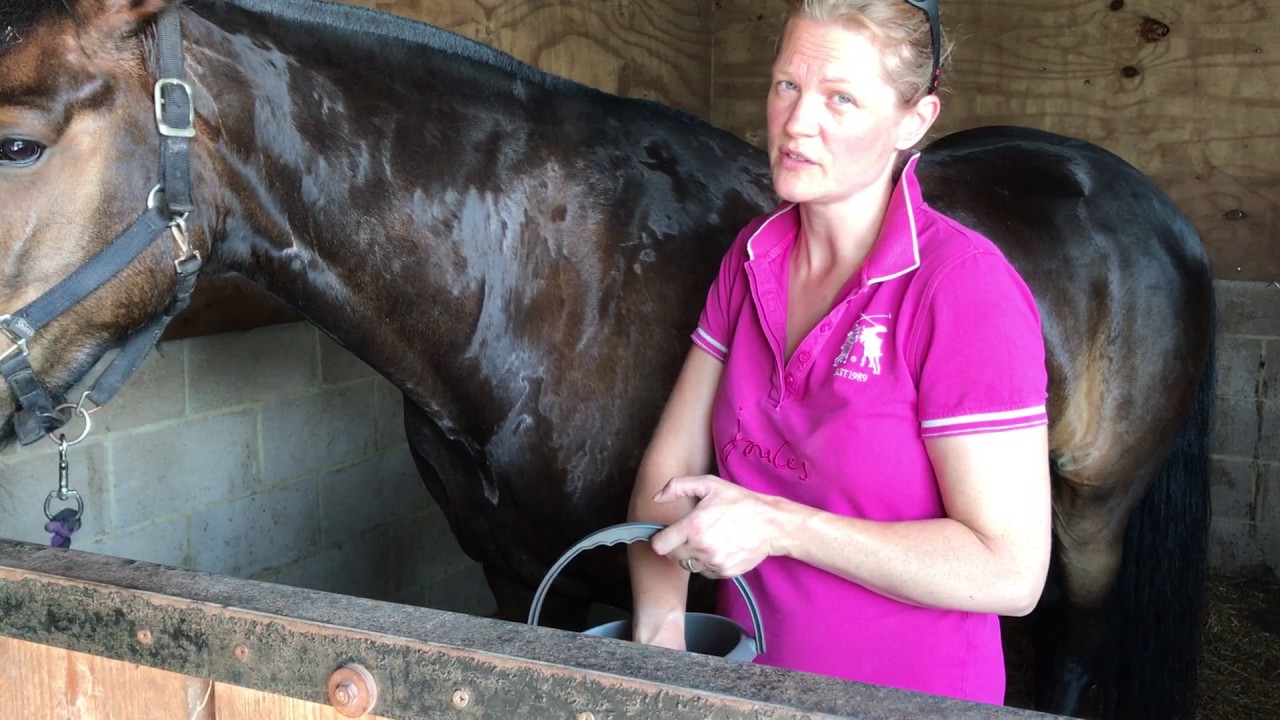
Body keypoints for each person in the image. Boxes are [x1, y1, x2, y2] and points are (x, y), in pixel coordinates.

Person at [625, 0, 1051, 705]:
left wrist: (781, 527)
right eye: (787, 85)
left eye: (841, 99)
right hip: (743, 691)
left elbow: (1009, 570)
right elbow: (667, 473)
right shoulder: (751, 256)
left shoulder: (962, 289)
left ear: (914, 121)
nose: (796, 122)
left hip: (910, 702)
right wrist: (662, 622)